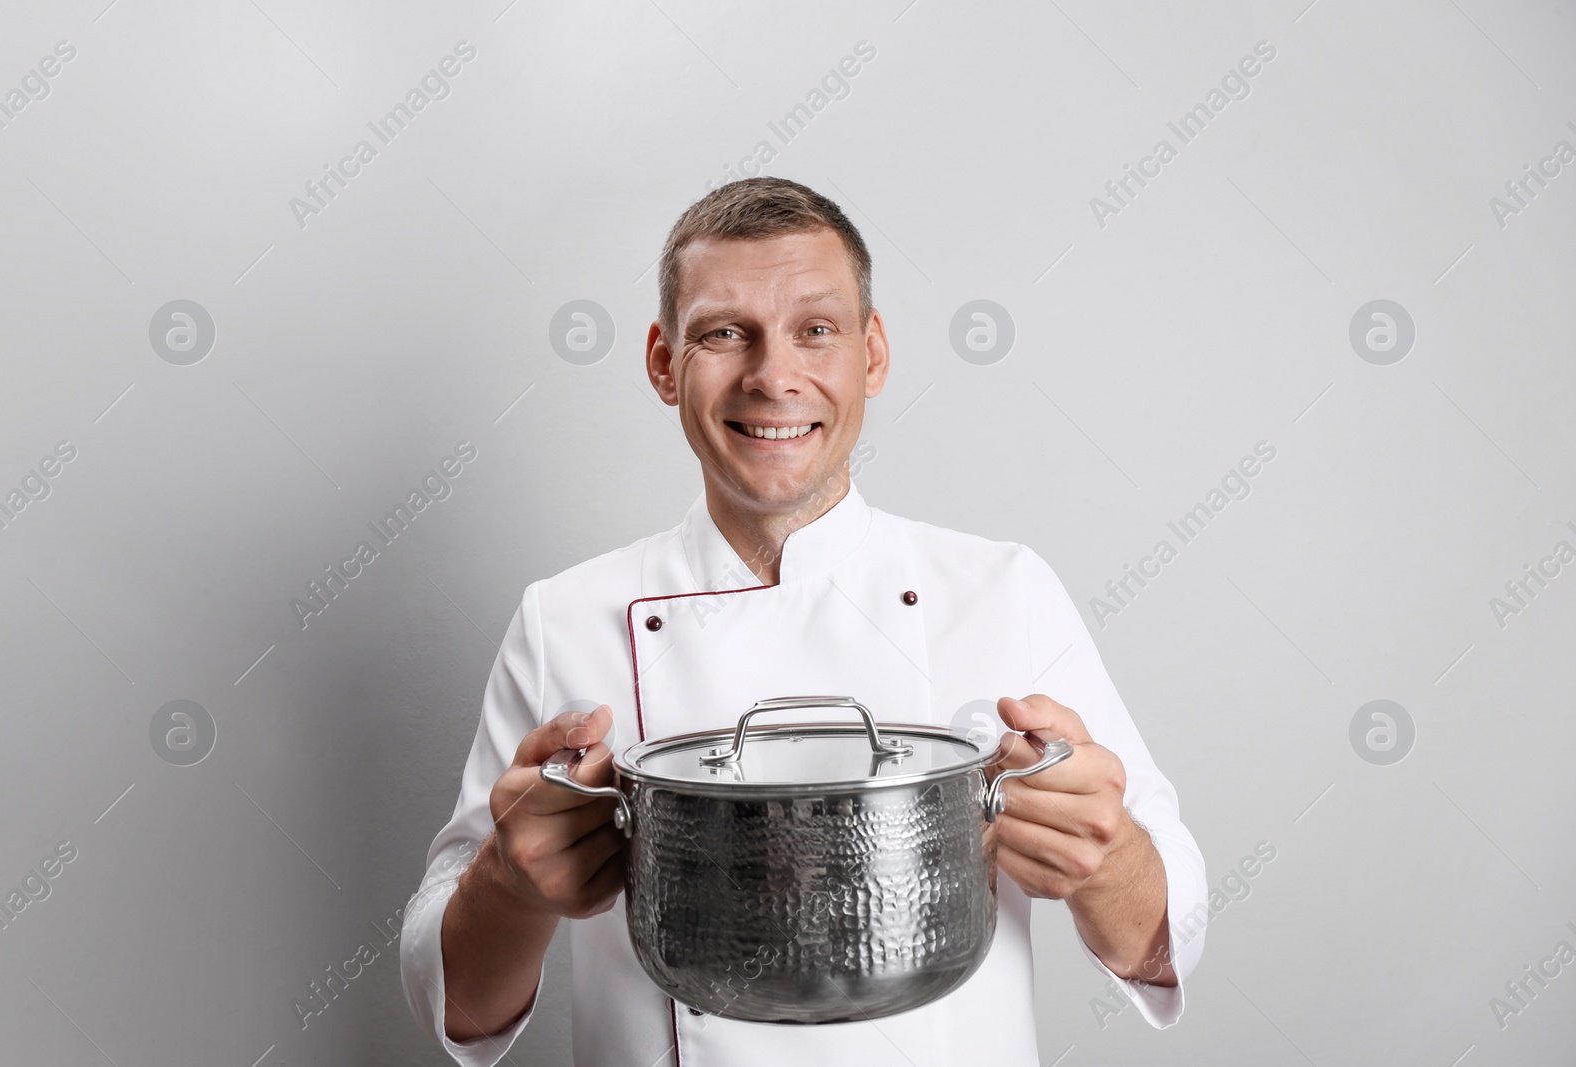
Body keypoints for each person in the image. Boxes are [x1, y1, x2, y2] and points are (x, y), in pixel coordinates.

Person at [401, 177, 1207, 1066]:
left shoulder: (1004, 589)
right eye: (723, 332)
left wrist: (1110, 856)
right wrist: (511, 888)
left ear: (873, 355)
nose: (773, 375)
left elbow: (1162, 947)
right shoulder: (566, 617)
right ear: (665, 363)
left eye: (815, 330)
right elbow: (462, 1007)